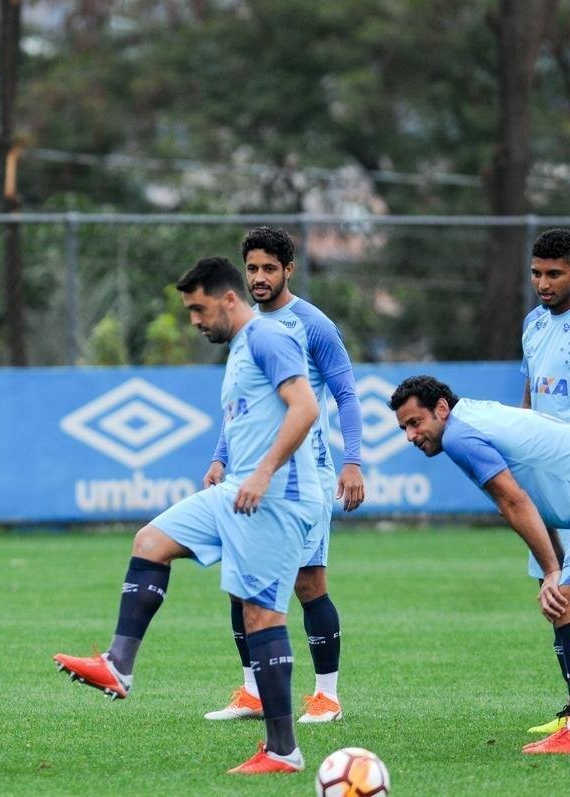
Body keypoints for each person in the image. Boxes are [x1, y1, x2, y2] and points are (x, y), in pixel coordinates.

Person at [53, 257, 325, 775]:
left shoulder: (268, 337)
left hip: (277, 496)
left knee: (261, 615)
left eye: (199, 309)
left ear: (229, 299)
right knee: (151, 541)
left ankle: (283, 751)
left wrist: (264, 471)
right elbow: (251, 418)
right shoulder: (241, 348)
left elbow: (305, 408)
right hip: (238, 489)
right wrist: (226, 461)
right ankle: (118, 665)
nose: (195, 321)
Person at [202, 226, 363, 725]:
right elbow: (242, 405)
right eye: (252, 268)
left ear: (288, 270)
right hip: (249, 475)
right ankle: (252, 692)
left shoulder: (313, 325)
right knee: (241, 582)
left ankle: (327, 697)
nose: (259, 277)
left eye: (269, 268)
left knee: (308, 584)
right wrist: (220, 457)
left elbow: (346, 395)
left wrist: (353, 461)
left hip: (304, 477)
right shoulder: (244, 327)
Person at [388, 375, 570, 754]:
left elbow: (514, 501)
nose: (410, 436)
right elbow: (533, 494)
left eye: (415, 423)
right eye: (404, 428)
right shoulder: (471, 415)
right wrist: (555, 564)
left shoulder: (459, 436)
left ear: (441, 408)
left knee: (563, 601)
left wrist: (554, 572)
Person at [520, 228, 570, 735]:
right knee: (551, 593)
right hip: (545, 485)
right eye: (537, 273)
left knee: (566, 592)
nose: (543, 283)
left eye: (554, 273)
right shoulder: (533, 325)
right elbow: (530, 399)